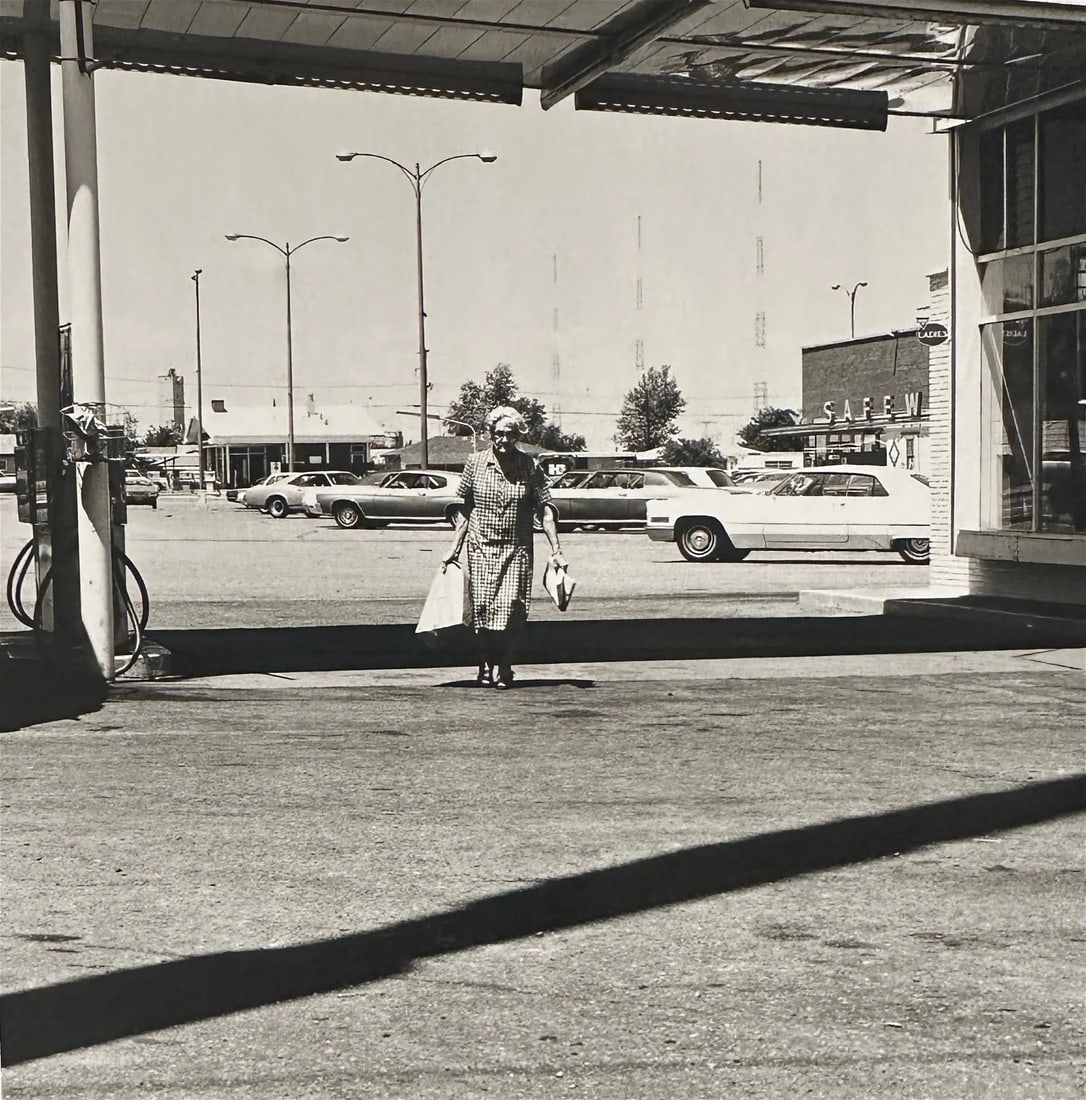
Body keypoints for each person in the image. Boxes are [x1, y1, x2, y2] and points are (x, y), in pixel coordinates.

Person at [442, 407, 566, 689]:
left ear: (518, 436)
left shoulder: (529, 466)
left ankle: (506, 664)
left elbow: (546, 510)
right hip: (481, 547)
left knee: (511, 608)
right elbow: (464, 509)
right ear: (490, 435)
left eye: (510, 434)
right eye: (498, 433)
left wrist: (556, 549)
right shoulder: (475, 463)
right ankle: (486, 662)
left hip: (517, 548)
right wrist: (454, 548)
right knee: (483, 608)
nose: (504, 439)